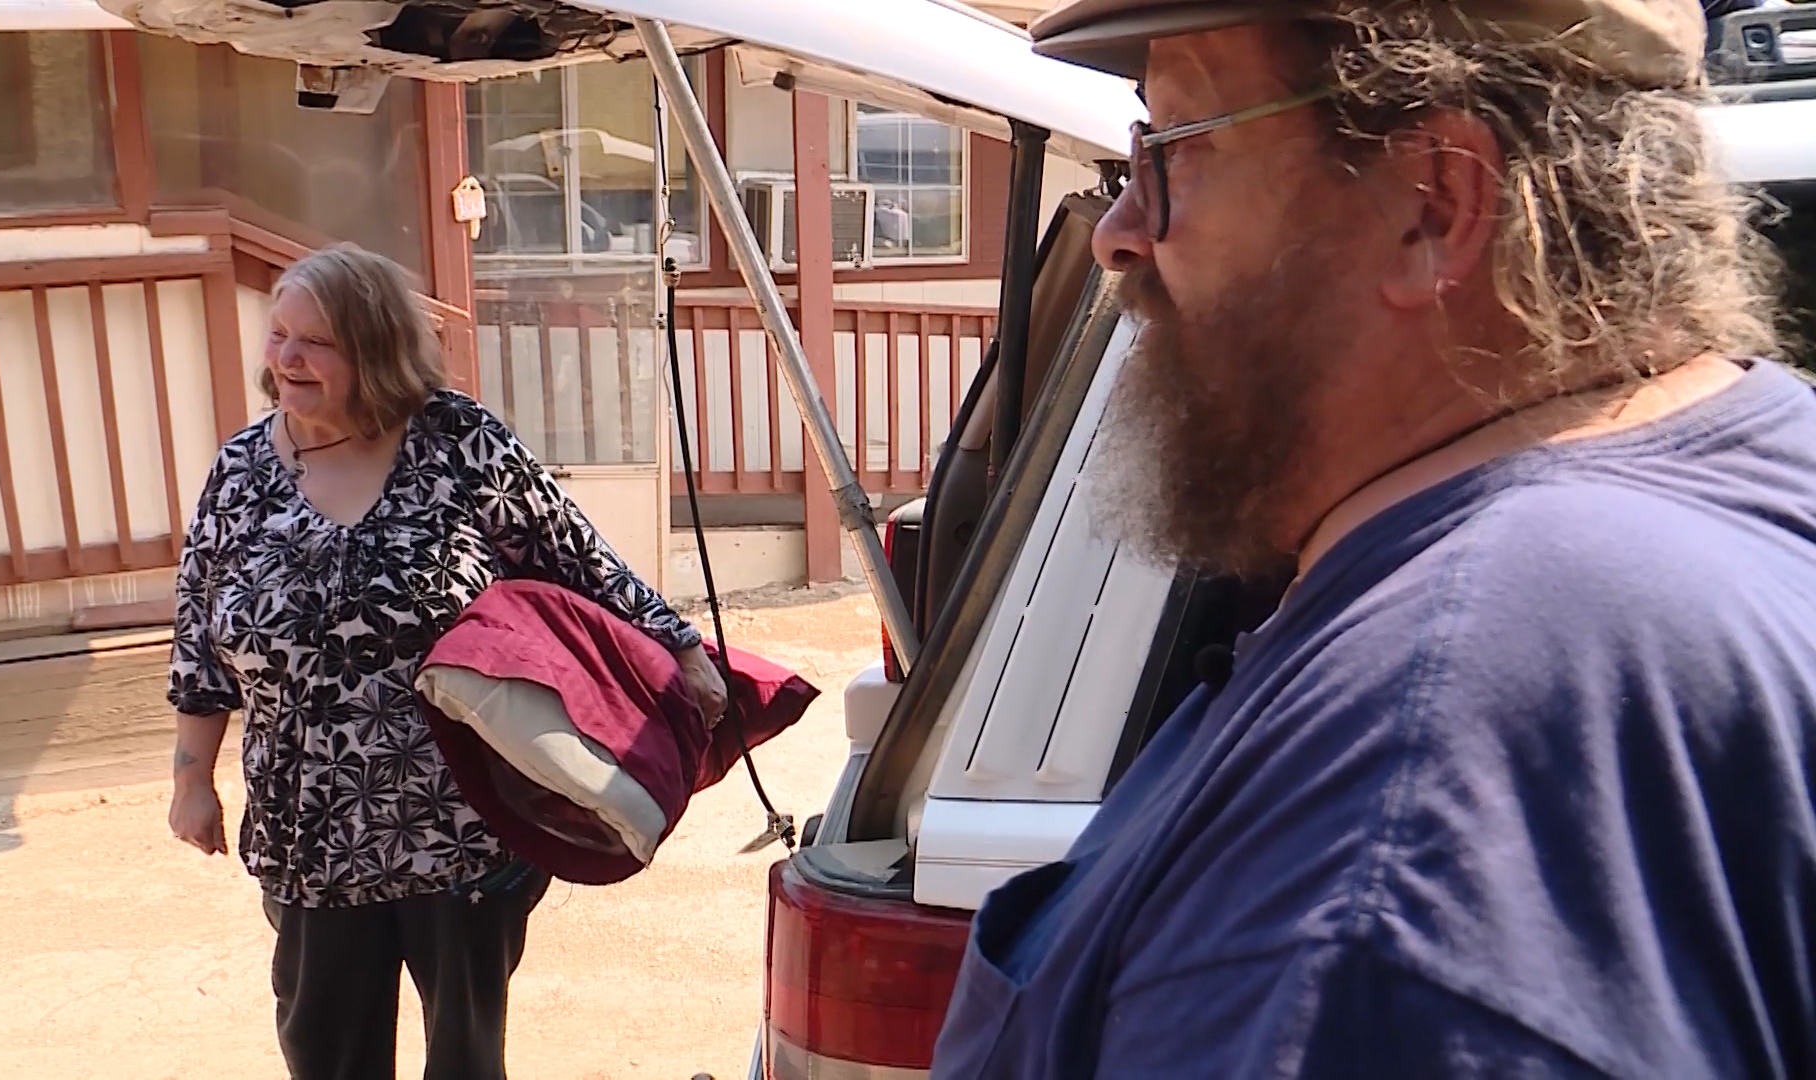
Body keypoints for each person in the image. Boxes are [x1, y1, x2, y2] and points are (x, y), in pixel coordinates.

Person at [931, 0, 1816, 1076]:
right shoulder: (1760, 468)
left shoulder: (1407, 800)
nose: (1119, 233)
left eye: (1172, 147)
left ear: (1435, 202)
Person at [164, 244, 726, 1080]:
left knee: (466, 1059)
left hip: (461, 823)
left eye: (316, 342)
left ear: (375, 349)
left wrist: (679, 646)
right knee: (326, 1057)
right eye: (279, 335)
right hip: (308, 831)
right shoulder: (241, 473)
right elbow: (199, 639)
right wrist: (191, 779)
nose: (287, 358)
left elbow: (574, 555)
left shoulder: (456, 439)